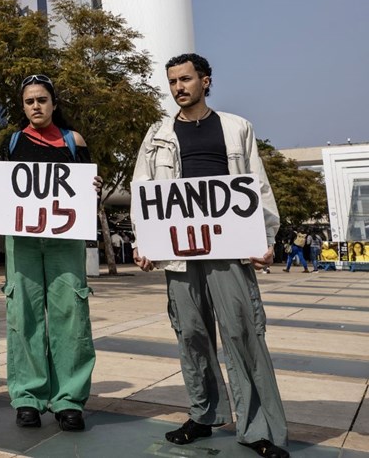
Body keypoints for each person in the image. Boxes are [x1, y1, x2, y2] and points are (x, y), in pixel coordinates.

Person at [132, 53, 288, 458]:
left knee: (241, 332)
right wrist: (142, 241)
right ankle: (203, 415)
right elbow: (143, 188)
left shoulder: (236, 128)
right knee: (191, 334)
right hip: (179, 250)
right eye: (172, 81)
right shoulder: (157, 134)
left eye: (185, 79)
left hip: (229, 247)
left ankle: (258, 429)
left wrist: (266, 237)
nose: (178, 87)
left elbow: (257, 184)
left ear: (205, 81)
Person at [0, 74, 98, 432]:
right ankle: (28, 397)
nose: (36, 106)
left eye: (42, 99)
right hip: (22, 240)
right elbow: (4, 191)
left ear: (54, 103)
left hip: (65, 240)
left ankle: (69, 400)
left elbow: (87, 192)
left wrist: (95, 186)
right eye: (29, 101)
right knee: (23, 314)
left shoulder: (74, 141)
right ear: (22, 107)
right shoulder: (11, 143)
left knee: (71, 313)